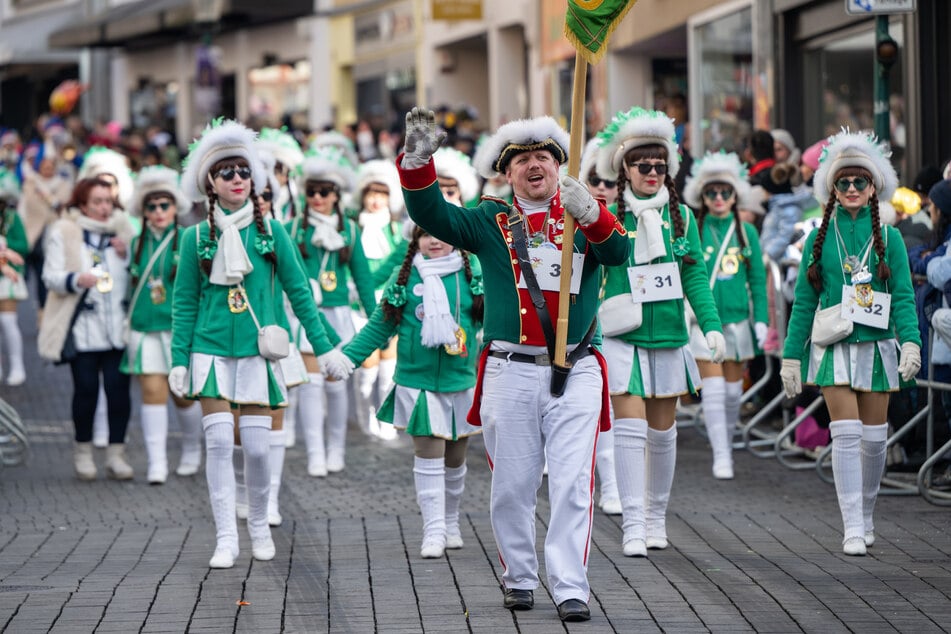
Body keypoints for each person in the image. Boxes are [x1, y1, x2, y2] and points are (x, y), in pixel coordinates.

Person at [398, 107, 631, 622]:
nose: (534, 165)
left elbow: (618, 255)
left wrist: (592, 215)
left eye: (544, 157)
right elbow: (433, 216)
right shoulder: (489, 220)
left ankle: (571, 586)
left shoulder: (582, 211)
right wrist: (417, 163)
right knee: (513, 484)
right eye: (522, 159)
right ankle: (520, 577)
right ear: (506, 173)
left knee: (573, 481)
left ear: (558, 165)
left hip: (578, 367)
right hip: (511, 367)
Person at [168, 119, 353, 569]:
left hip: (259, 352)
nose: (237, 179)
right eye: (227, 172)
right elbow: (184, 303)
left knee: (254, 447)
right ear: (210, 182)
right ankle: (226, 537)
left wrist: (326, 347)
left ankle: (256, 525)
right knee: (217, 445)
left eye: (244, 171)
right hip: (208, 352)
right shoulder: (195, 237)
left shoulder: (273, 232)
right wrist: (177, 360)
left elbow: (300, 294)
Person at [780, 130, 921, 556]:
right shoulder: (819, 238)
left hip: (877, 347)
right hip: (833, 345)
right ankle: (852, 526)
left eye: (861, 182)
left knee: (875, 439)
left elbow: (903, 297)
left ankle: (867, 513)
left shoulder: (891, 238)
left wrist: (911, 343)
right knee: (844, 434)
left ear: (874, 186)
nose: (853, 189)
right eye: (844, 183)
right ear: (832, 188)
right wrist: (791, 356)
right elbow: (803, 302)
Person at [593, 107, 724, 558]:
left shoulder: (682, 218)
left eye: (659, 166)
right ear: (624, 170)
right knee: (628, 431)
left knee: (663, 435)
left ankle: (654, 518)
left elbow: (695, 279)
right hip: (621, 336)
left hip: (669, 336)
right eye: (642, 165)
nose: (652, 173)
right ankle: (632, 524)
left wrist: (710, 327)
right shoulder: (606, 217)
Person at [342, 223, 484, 558]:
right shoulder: (404, 277)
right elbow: (380, 324)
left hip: (461, 380)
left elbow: (491, 321)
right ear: (414, 240)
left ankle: (450, 520)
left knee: (455, 457)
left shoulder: (473, 274)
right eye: (425, 234)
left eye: (440, 232)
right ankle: (433, 529)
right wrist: (348, 358)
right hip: (416, 383)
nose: (434, 239)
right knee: (428, 452)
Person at [38, 177, 136, 480]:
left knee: (119, 393)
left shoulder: (124, 233)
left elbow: (139, 274)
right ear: (82, 204)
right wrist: (76, 279)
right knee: (86, 391)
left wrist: (127, 254)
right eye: (97, 202)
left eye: (108, 201)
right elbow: (50, 276)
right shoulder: (65, 232)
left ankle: (116, 454)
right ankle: (83, 451)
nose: (104, 208)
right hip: (82, 329)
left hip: (117, 330)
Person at [287, 146, 377, 476]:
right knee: (311, 384)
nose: (317, 198)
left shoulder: (350, 230)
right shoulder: (293, 229)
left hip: (339, 314)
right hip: (308, 316)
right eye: (311, 191)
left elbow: (364, 279)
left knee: (335, 382)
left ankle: (336, 448)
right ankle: (315, 453)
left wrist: (377, 321)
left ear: (336, 194)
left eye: (324, 192)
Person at [682, 151, 768, 479]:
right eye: (711, 192)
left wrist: (761, 319)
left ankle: (726, 443)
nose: (718, 198)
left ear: (735, 195)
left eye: (725, 192)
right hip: (704, 323)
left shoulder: (748, 233)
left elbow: (758, 280)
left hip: (738, 321)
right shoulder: (694, 228)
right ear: (701, 196)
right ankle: (721, 455)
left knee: (733, 393)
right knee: (714, 389)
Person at [122, 166, 203, 484]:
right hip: (144, 328)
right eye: (152, 206)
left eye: (164, 205)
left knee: (183, 395)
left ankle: (191, 450)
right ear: (143, 210)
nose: (158, 212)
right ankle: (157, 462)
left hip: (179, 330)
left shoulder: (190, 239)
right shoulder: (133, 244)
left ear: (176, 207)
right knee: (152, 391)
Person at [579, 136, 620, 515]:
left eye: (609, 181)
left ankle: (611, 486)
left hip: (614, 327)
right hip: (580, 327)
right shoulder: (571, 218)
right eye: (595, 180)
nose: (602, 187)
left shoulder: (619, 221)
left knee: (606, 407)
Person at [353, 159, 406, 440]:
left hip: (391, 303)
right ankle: (366, 416)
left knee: (389, 368)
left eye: (382, 193)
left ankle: (387, 418)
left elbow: (399, 269)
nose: (376, 200)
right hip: (359, 305)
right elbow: (364, 273)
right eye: (372, 193)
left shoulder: (398, 231)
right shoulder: (354, 228)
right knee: (367, 371)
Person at [0, 188, 29, 385]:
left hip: (6, 278)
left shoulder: (11, 217)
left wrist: (4, 245)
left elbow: (24, 246)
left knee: (8, 321)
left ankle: (17, 366)